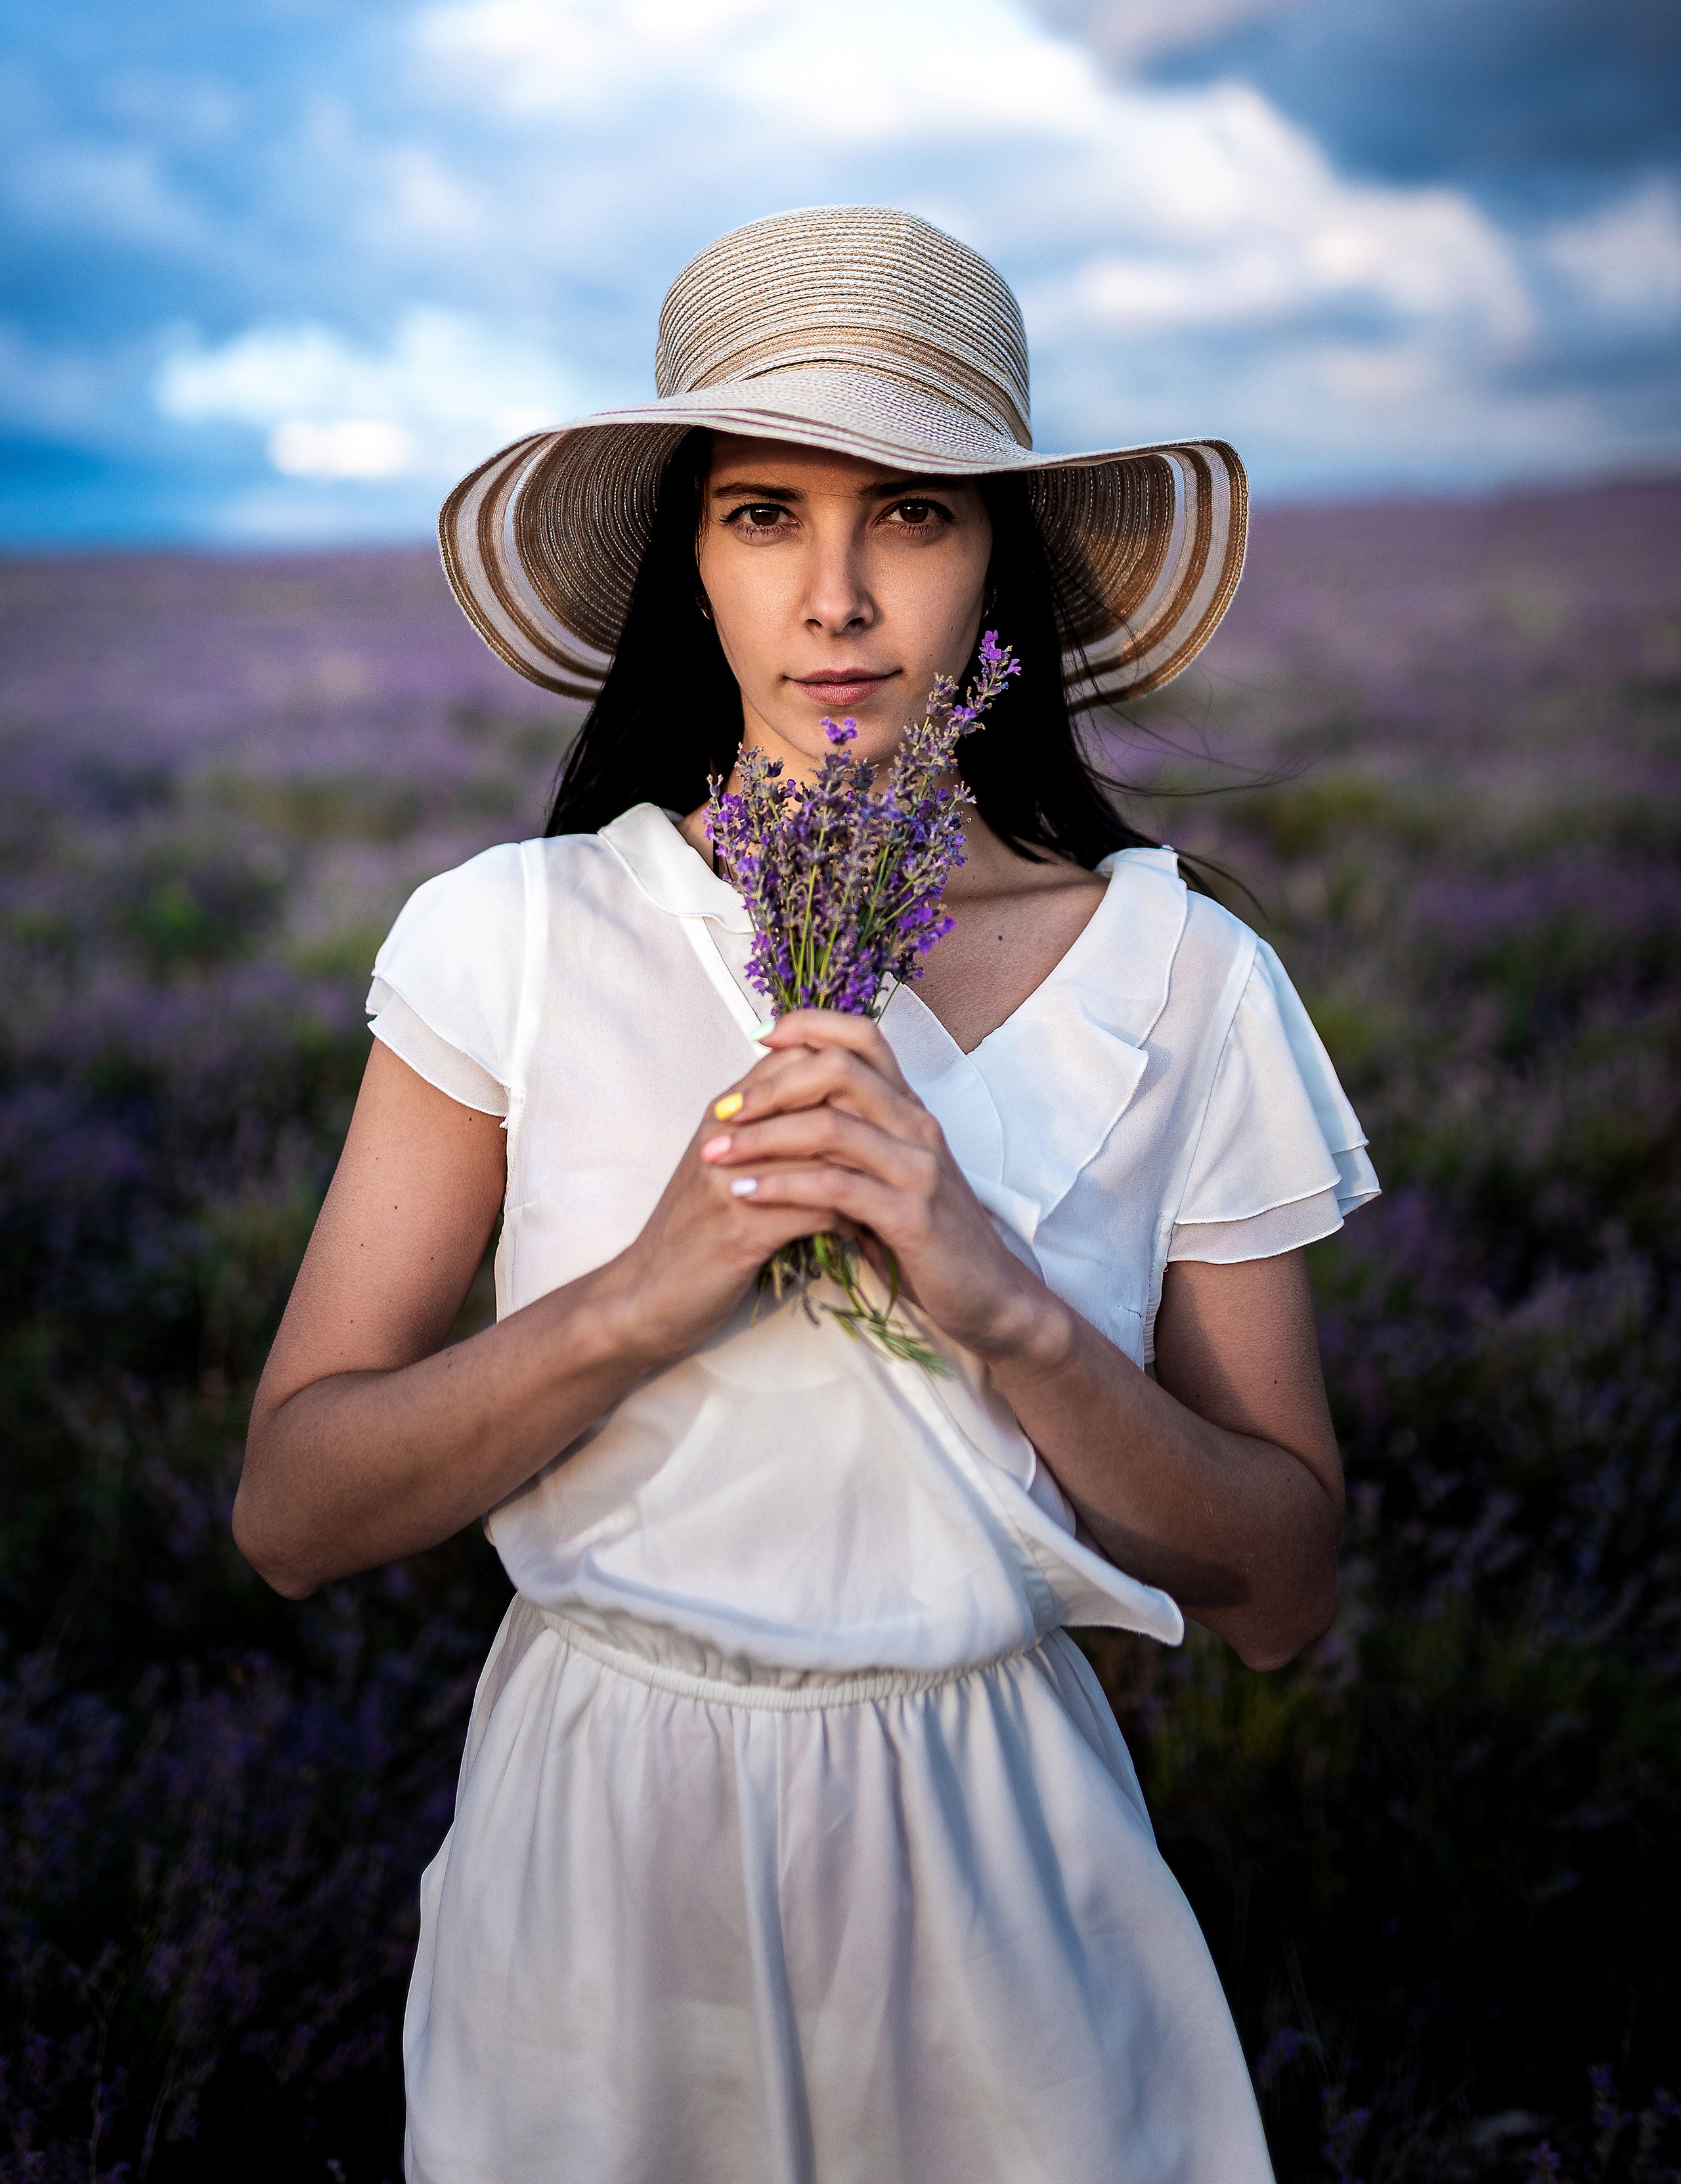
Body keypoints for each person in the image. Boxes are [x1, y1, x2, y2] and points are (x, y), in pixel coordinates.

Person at [234, 206, 1376, 2183]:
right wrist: (637, 1296)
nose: (837, 597)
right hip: (595, 1883)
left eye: (914, 516)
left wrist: (1000, 1301)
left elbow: (1281, 1591)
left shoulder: (1194, 977)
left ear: (996, 558)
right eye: (765, 513)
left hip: (1006, 1888)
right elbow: (289, 1514)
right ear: (691, 558)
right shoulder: (512, 936)